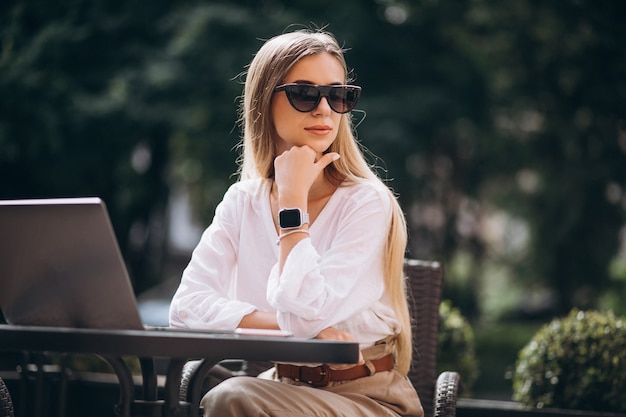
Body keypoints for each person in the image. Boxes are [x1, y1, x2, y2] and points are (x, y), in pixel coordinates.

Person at [169, 28, 423, 417]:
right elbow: (186, 309)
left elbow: (309, 309)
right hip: (282, 387)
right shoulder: (242, 202)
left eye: (339, 96)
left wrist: (292, 205)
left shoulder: (367, 202)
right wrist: (290, 327)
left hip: (368, 397)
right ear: (263, 102)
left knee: (229, 398)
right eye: (305, 94)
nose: (324, 109)